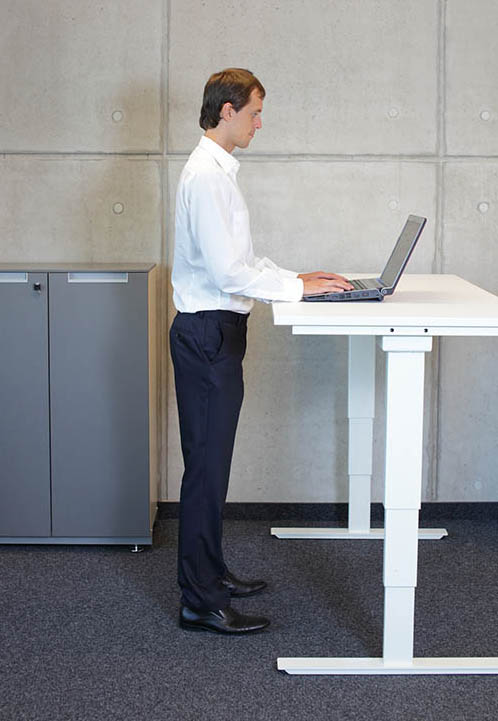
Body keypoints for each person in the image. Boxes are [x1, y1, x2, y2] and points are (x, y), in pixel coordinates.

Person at [170, 68, 353, 635]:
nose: (259, 122)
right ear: (226, 111)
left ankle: (212, 575)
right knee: (205, 471)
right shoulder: (206, 177)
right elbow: (227, 272)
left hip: (216, 333)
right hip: (207, 335)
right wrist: (298, 290)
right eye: (254, 112)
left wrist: (297, 275)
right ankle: (200, 601)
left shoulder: (218, 174)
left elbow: (240, 262)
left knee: (212, 466)